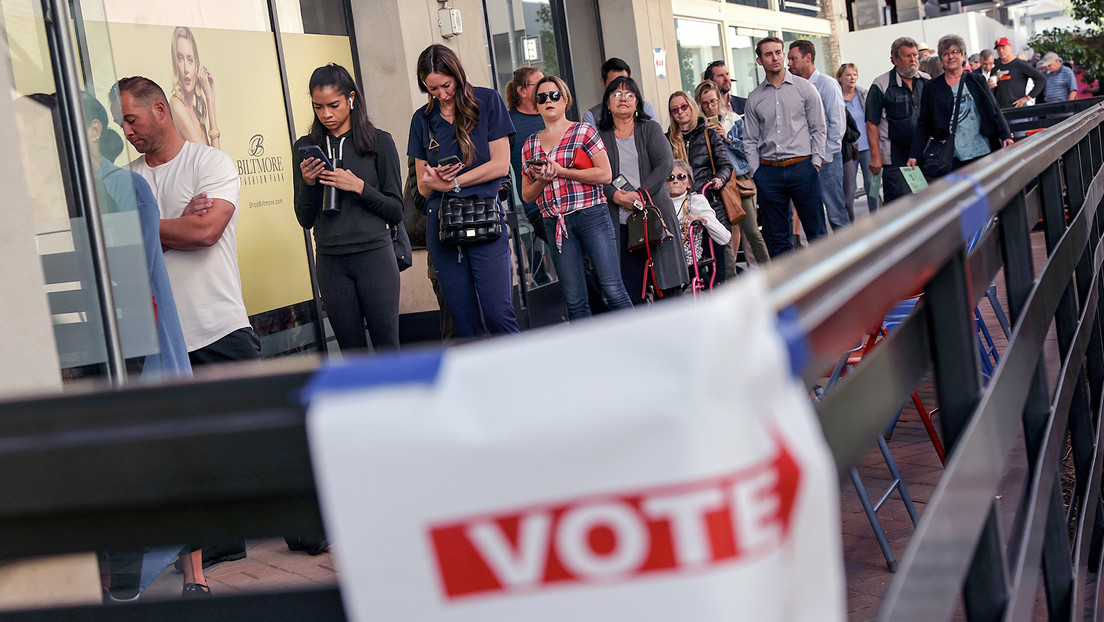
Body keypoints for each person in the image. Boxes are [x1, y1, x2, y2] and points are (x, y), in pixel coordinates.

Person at [115, 75, 257, 595]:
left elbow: (205, 231)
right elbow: (118, 253)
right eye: (121, 120)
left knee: (257, 441)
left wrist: (146, 230)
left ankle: (308, 529)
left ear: (159, 109)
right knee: (184, 453)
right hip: (161, 339)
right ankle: (215, 546)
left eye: (131, 118)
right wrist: (170, 227)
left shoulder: (209, 163)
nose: (125, 129)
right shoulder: (124, 182)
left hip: (219, 324)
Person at [408, 44, 520, 338]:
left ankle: (523, 378)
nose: (441, 94)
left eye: (445, 85)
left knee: (498, 315)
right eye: (432, 88)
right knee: (464, 324)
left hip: (483, 216)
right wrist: (435, 177)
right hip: (443, 225)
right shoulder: (422, 119)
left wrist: (456, 182)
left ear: (457, 75)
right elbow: (421, 184)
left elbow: (500, 165)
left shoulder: (488, 100)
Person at [293, 63, 402, 353]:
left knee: (387, 348)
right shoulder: (305, 147)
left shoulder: (379, 142)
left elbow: (396, 210)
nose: (326, 114)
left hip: (375, 257)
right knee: (352, 354)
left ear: (351, 98)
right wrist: (308, 182)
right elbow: (304, 218)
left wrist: (360, 187)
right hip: (331, 262)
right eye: (318, 107)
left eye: (334, 105)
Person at [519, 76, 631, 319]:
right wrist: (544, 179)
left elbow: (605, 174)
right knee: (574, 300)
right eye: (542, 97)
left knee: (613, 289)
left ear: (565, 99)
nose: (548, 100)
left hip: (591, 215)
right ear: (536, 105)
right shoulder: (530, 145)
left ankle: (642, 347)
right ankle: (587, 355)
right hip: (556, 223)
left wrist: (561, 171)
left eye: (554, 95)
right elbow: (527, 195)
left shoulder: (583, 130)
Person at [598, 76, 688, 302]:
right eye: (616, 94)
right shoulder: (599, 136)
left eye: (630, 95)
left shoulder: (650, 129)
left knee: (667, 290)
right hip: (620, 222)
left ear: (637, 103)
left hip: (654, 217)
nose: (623, 99)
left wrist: (641, 194)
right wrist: (615, 195)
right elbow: (595, 173)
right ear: (607, 103)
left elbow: (665, 164)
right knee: (630, 291)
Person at [744, 36, 827, 258]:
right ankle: (790, 290)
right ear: (760, 60)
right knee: (779, 239)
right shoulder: (754, 98)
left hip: (803, 167)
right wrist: (757, 173)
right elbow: (750, 140)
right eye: (768, 54)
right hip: (769, 172)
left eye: (778, 52)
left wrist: (815, 163)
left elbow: (818, 128)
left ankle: (828, 285)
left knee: (817, 233)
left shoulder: (805, 88)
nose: (775, 58)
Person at [908, 35, 1014, 177]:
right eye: (945, 54)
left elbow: (994, 109)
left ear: (964, 56)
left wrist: (1006, 134)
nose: (950, 57)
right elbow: (924, 123)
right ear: (941, 60)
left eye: (955, 52)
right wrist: (915, 154)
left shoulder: (977, 80)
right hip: (952, 156)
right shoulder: (932, 87)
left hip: (982, 150)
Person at [695, 79, 769, 265]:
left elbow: (748, 150)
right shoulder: (698, 127)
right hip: (715, 183)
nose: (710, 106)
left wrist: (727, 138)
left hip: (738, 180)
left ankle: (769, 270)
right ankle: (730, 279)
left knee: (752, 231)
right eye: (705, 103)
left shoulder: (733, 119)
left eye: (713, 101)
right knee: (725, 235)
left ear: (719, 100)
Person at [667, 90, 733, 282]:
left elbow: (725, 165)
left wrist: (719, 179)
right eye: (675, 109)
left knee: (718, 262)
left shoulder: (709, 134)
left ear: (692, 106)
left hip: (710, 203)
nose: (680, 112)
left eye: (684, 107)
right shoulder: (668, 139)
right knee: (690, 264)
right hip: (681, 209)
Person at [788, 40, 847, 231]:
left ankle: (851, 254)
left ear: (808, 58)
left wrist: (825, 156)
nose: (789, 63)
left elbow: (837, 123)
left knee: (836, 212)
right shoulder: (794, 87)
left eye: (793, 59)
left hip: (826, 160)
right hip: (803, 160)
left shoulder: (827, 85)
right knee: (813, 215)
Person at [867, 37, 929, 204]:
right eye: (907, 56)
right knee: (901, 205)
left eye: (915, 55)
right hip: (895, 158)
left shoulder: (926, 81)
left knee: (926, 202)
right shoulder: (881, 85)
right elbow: (872, 123)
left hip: (924, 154)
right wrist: (875, 156)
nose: (913, 60)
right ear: (894, 59)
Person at [505, 66, 546, 241]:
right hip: (535, 208)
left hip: (566, 199)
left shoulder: (550, 113)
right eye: (538, 84)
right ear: (522, 91)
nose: (545, 88)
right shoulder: (509, 123)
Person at [666, 159, 730, 270]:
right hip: (662, 262)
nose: (675, 181)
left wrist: (702, 219)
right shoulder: (658, 204)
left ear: (689, 183)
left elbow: (724, 237)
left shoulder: (696, 201)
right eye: (670, 177)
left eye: (681, 176)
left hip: (689, 264)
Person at [836, 63, 879, 216]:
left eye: (854, 74)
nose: (852, 78)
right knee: (849, 189)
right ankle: (849, 222)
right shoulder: (837, 98)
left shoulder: (864, 94)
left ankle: (877, 217)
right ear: (840, 78)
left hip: (868, 146)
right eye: (848, 75)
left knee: (872, 185)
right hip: (849, 149)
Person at [168, 26, 220, 150]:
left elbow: (218, 161)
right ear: (175, 63)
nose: (186, 69)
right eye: (180, 59)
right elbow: (212, 160)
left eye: (190, 60)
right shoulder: (176, 105)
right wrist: (209, 99)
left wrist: (210, 99)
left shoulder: (196, 113)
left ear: (196, 65)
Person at [581, 58, 658, 126]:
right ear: (603, 82)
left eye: (625, 82)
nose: (623, 98)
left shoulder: (646, 109)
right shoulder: (592, 116)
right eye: (614, 83)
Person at [992, 37, 1046, 109]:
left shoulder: (1020, 64)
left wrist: (1027, 97)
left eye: (1003, 48)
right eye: (998, 49)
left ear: (1010, 47)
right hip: (1001, 110)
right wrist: (989, 86)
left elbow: (1041, 79)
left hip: (1017, 107)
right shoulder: (996, 68)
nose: (1001, 51)